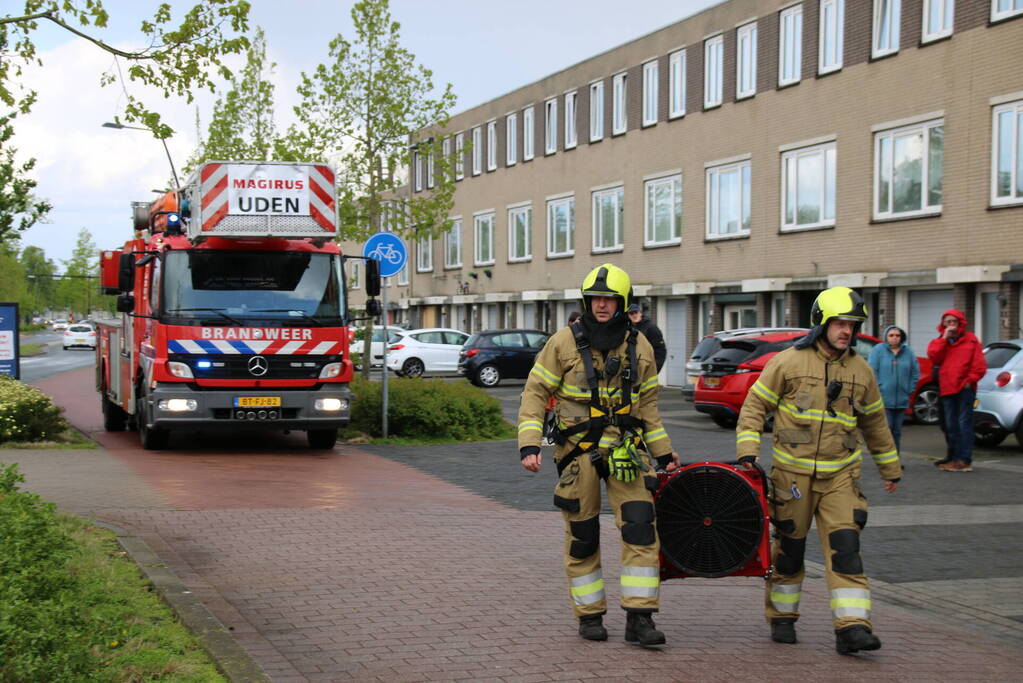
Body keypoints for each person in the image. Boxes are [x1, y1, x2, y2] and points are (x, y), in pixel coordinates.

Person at [518, 264, 680, 646]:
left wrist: (663, 452)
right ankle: (589, 615)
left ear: (622, 303)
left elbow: (649, 407)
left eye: (609, 299)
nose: (602, 305)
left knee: (641, 527)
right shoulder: (562, 343)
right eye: (596, 299)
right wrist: (529, 443)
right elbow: (534, 394)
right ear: (586, 302)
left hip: (627, 451)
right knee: (583, 536)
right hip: (578, 452)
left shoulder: (640, 346)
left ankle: (640, 618)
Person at [735, 286, 901, 655]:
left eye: (852, 324)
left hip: (841, 476)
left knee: (846, 548)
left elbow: (875, 424)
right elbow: (753, 408)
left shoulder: (861, 370)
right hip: (790, 478)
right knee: (790, 551)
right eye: (839, 323)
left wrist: (890, 469)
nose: (846, 331)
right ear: (820, 323)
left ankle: (852, 628)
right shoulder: (788, 362)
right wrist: (748, 453)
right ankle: (782, 617)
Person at [926, 309, 986, 473]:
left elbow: (979, 364)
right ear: (943, 324)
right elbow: (934, 357)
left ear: (961, 323)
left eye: (954, 321)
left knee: (963, 424)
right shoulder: (940, 341)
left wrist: (970, 380)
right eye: (948, 322)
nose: (951, 325)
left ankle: (964, 460)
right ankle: (954, 458)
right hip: (947, 387)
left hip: (964, 388)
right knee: (951, 425)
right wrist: (944, 338)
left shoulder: (971, 340)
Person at [867, 325, 919, 455]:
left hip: (901, 399)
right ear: (886, 337)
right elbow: (872, 371)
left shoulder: (908, 352)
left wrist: (909, 389)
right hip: (884, 399)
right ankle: (886, 458)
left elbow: (914, 373)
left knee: (897, 431)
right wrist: (880, 388)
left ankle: (895, 459)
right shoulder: (878, 350)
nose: (894, 338)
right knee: (887, 430)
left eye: (897, 335)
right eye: (891, 335)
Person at [627, 301, 667, 372]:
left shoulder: (651, 328)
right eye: (631, 313)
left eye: (636, 312)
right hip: (634, 368)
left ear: (640, 313)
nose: (634, 315)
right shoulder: (628, 329)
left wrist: (655, 369)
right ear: (628, 316)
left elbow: (660, 351)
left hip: (648, 368)